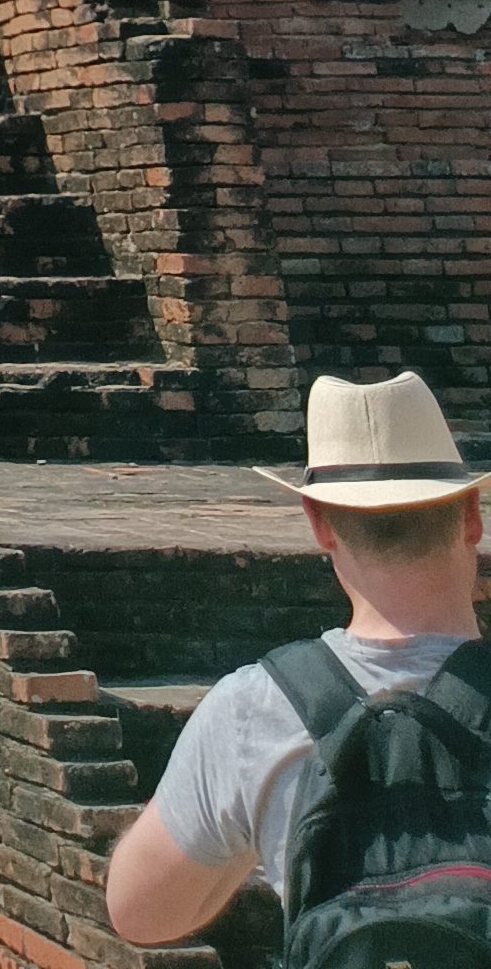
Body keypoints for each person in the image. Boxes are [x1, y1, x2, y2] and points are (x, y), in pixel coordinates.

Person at [106, 368, 487, 945]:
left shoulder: (252, 712)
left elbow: (142, 913)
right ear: (472, 516)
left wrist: (252, 818)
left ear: (319, 526)